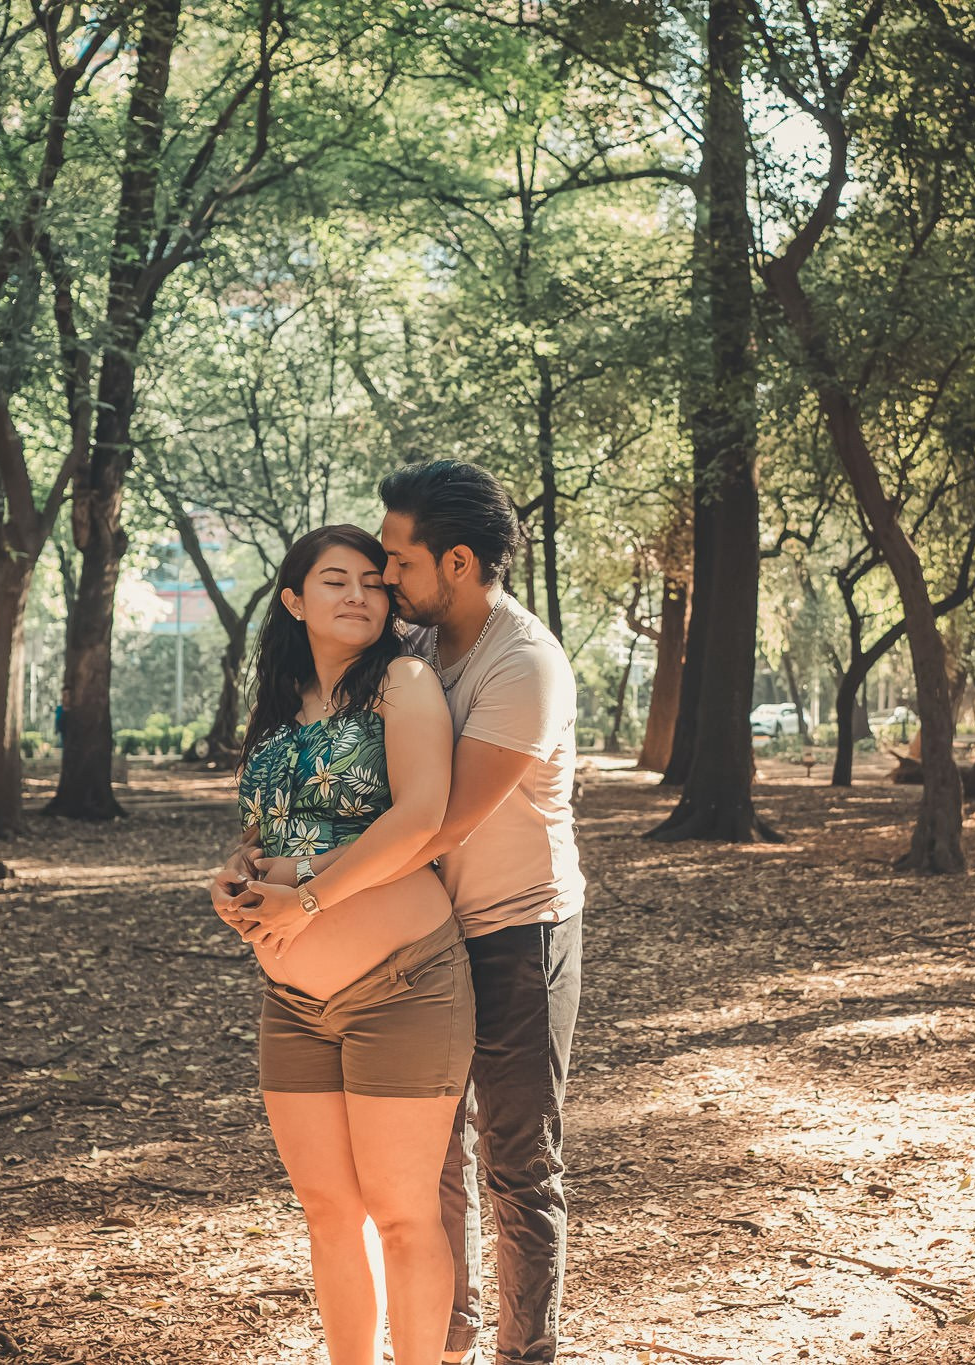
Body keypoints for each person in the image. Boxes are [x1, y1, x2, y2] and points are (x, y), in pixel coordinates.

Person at [281, 461, 583, 1365]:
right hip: (424, 940)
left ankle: (526, 1351)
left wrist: (306, 898)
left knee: (517, 1161)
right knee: (425, 1163)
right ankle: (438, 1345)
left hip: (518, 932)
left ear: (456, 561)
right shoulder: (414, 644)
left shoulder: (522, 663)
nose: (382, 577)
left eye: (397, 561)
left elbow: (438, 824)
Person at [207, 524, 474, 1365]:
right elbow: (260, 834)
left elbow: (421, 820)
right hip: (293, 1002)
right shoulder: (278, 711)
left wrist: (309, 897)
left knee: (402, 1214)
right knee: (328, 1211)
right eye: (334, 581)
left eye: (372, 580)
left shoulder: (403, 681)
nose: (359, 594)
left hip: (404, 989)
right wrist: (234, 880)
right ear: (293, 600)